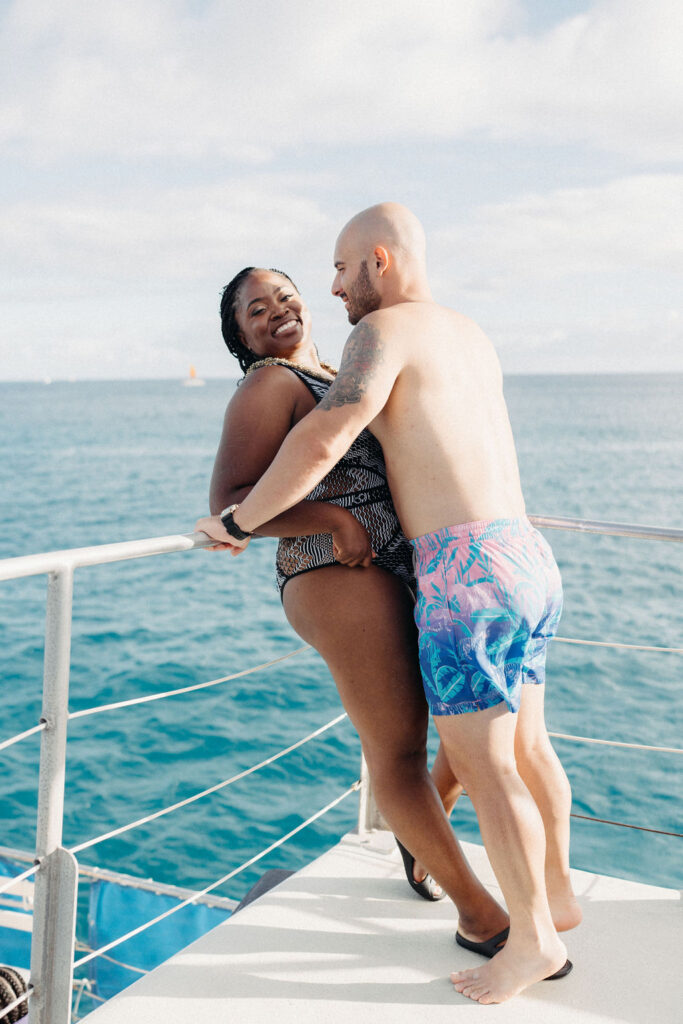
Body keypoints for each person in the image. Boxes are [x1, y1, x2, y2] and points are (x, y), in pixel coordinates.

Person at [196, 205, 582, 1005]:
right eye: (256, 309)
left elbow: (331, 433)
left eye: (318, 279)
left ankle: (524, 924)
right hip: (485, 559)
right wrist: (289, 520)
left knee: (483, 759)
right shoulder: (442, 335)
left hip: (458, 568)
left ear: (377, 260)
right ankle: (507, 910)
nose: (317, 295)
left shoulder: (369, 347)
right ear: (238, 337)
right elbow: (256, 480)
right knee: (485, 752)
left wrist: (258, 519)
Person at [196, 265, 509, 943]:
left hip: (402, 561)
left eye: (283, 296)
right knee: (397, 753)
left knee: (471, 715)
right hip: (330, 569)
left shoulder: (340, 373)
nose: (276, 311)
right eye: (256, 310)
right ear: (242, 336)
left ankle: (419, 837)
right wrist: (333, 521)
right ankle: (479, 916)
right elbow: (227, 502)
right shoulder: (268, 383)